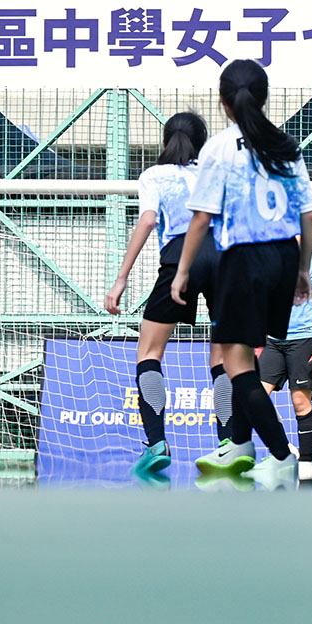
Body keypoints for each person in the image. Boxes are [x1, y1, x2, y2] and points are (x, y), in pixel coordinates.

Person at [172, 59, 312, 487]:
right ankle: (238, 443)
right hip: (284, 256)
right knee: (245, 355)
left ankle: (280, 454)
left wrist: (182, 271)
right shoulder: (286, 146)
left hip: (244, 258)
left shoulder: (219, 148)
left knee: (235, 362)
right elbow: (309, 215)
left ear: (223, 101)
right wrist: (303, 269)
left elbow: (201, 217)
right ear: (264, 97)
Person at [103, 111, 233, 479]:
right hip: (222, 259)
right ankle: (228, 444)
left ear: (164, 141)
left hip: (180, 258)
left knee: (149, 353)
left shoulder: (153, 175)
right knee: (223, 359)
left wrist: (121, 279)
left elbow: (148, 220)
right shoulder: (215, 173)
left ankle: (157, 443)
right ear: (202, 143)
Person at [258, 245, 312, 481]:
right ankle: (283, 448)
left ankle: (306, 460)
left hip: (304, 340)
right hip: (273, 341)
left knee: (300, 402)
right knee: (255, 398)